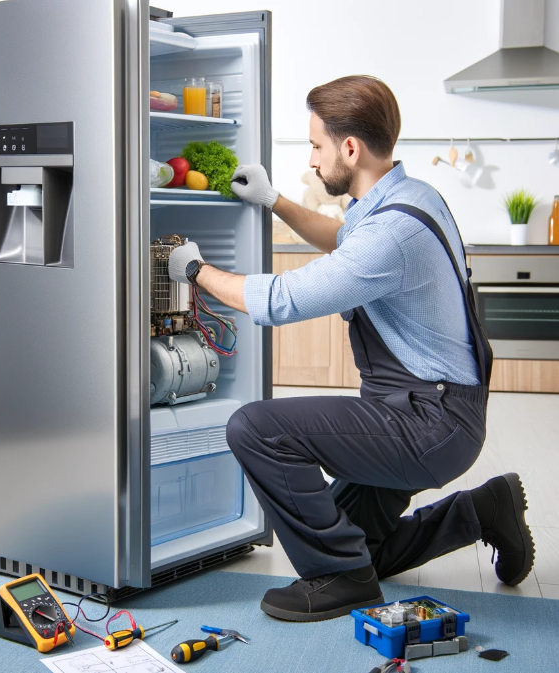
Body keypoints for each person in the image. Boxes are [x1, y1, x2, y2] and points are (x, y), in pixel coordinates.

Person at [167, 75, 535, 622]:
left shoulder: (393, 235)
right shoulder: (407, 197)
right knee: (368, 552)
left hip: (428, 425)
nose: (313, 160)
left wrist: (196, 271)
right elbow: (342, 238)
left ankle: (340, 580)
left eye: (316, 146)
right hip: (416, 409)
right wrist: (273, 200)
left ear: (350, 148)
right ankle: (484, 509)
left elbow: (284, 299)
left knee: (255, 427)